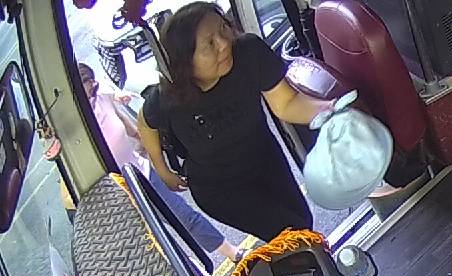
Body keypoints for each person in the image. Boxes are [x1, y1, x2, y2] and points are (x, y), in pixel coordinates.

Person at [138, 3, 334, 242]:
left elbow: (286, 103)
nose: (224, 43)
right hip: (220, 189)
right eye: (210, 44)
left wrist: (329, 110)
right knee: (291, 232)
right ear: (185, 61)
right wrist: (162, 170)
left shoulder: (249, 53)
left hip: (265, 160)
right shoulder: (168, 96)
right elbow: (146, 123)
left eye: (223, 28)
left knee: (303, 219)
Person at [77, 62, 241, 261]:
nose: (91, 92)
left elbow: (129, 128)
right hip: (118, 195)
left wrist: (144, 144)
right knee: (154, 241)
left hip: (142, 174)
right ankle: (192, 273)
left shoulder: (102, 99)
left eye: (91, 87)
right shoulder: (76, 127)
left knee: (183, 215)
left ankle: (232, 252)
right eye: (87, 88)